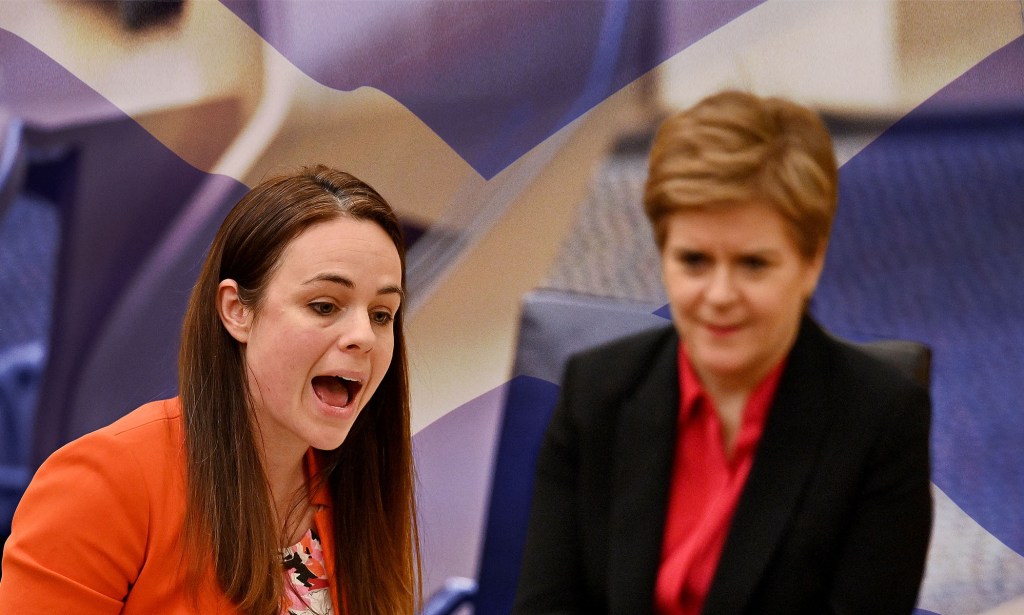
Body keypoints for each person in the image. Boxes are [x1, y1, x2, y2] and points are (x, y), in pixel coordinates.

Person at [513, 91, 932, 614]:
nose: (718, 295)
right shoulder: (596, 393)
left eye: (753, 264)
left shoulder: (879, 420)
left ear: (810, 262)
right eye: (694, 261)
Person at [0, 165, 421, 614]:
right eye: (324, 305)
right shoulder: (105, 484)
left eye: (382, 314)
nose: (363, 336)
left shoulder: (357, 484)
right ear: (237, 311)